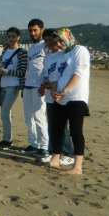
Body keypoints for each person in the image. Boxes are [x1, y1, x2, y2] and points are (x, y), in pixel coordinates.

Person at [48, 28, 91, 175]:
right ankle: (55, 160)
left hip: (76, 97)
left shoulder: (80, 50)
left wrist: (64, 91)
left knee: (75, 131)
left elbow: (78, 73)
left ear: (68, 37)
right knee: (58, 129)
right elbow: (54, 76)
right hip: (60, 98)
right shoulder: (60, 55)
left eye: (60, 40)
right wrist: (54, 91)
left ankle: (77, 167)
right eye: (55, 42)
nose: (59, 44)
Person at [39, 29, 74, 165]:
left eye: (51, 41)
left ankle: (69, 152)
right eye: (46, 41)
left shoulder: (63, 55)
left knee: (62, 126)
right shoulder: (47, 57)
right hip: (50, 95)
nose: (49, 44)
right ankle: (53, 151)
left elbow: (62, 75)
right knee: (52, 125)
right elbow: (47, 74)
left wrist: (56, 88)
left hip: (61, 95)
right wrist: (45, 84)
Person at [0, 27, 28, 150]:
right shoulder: (5, 51)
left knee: (4, 113)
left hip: (13, 86)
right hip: (2, 85)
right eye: (9, 36)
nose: (11, 38)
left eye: (14, 36)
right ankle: (7, 139)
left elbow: (22, 71)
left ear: (18, 37)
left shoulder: (22, 52)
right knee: (5, 113)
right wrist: (0, 72)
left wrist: (5, 71)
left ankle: (7, 140)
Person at [22, 19, 49, 157]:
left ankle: (44, 146)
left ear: (41, 30)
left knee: (39, 117)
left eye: (35, 30)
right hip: (28, 85)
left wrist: (45, 84)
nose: (32, 33)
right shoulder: (31, 48)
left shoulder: (46, 45)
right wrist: (24, 87)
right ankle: (33, 143)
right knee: (28, 117)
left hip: (39, 86)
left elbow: (49, 67)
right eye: (30, 31)